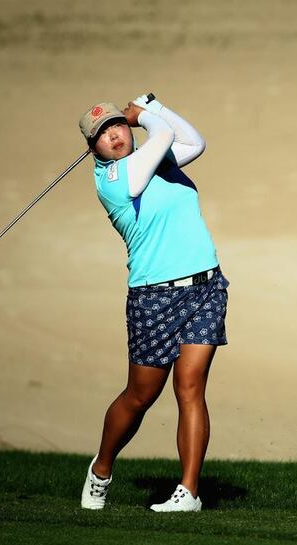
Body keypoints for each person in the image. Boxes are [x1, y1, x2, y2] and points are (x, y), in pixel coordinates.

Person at [77, 93, 229, 512]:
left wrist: (155, 109)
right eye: (104, 134)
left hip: (205, 287)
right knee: (140, 396)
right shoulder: (114, 181)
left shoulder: (156, 160)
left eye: (117, 126)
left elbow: (194, 142)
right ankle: (102, 468)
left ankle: (188, 493)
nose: (115, 135)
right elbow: (162, 136)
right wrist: (144, 114)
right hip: (153, 298)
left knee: (191, 389)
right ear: (94, 149)